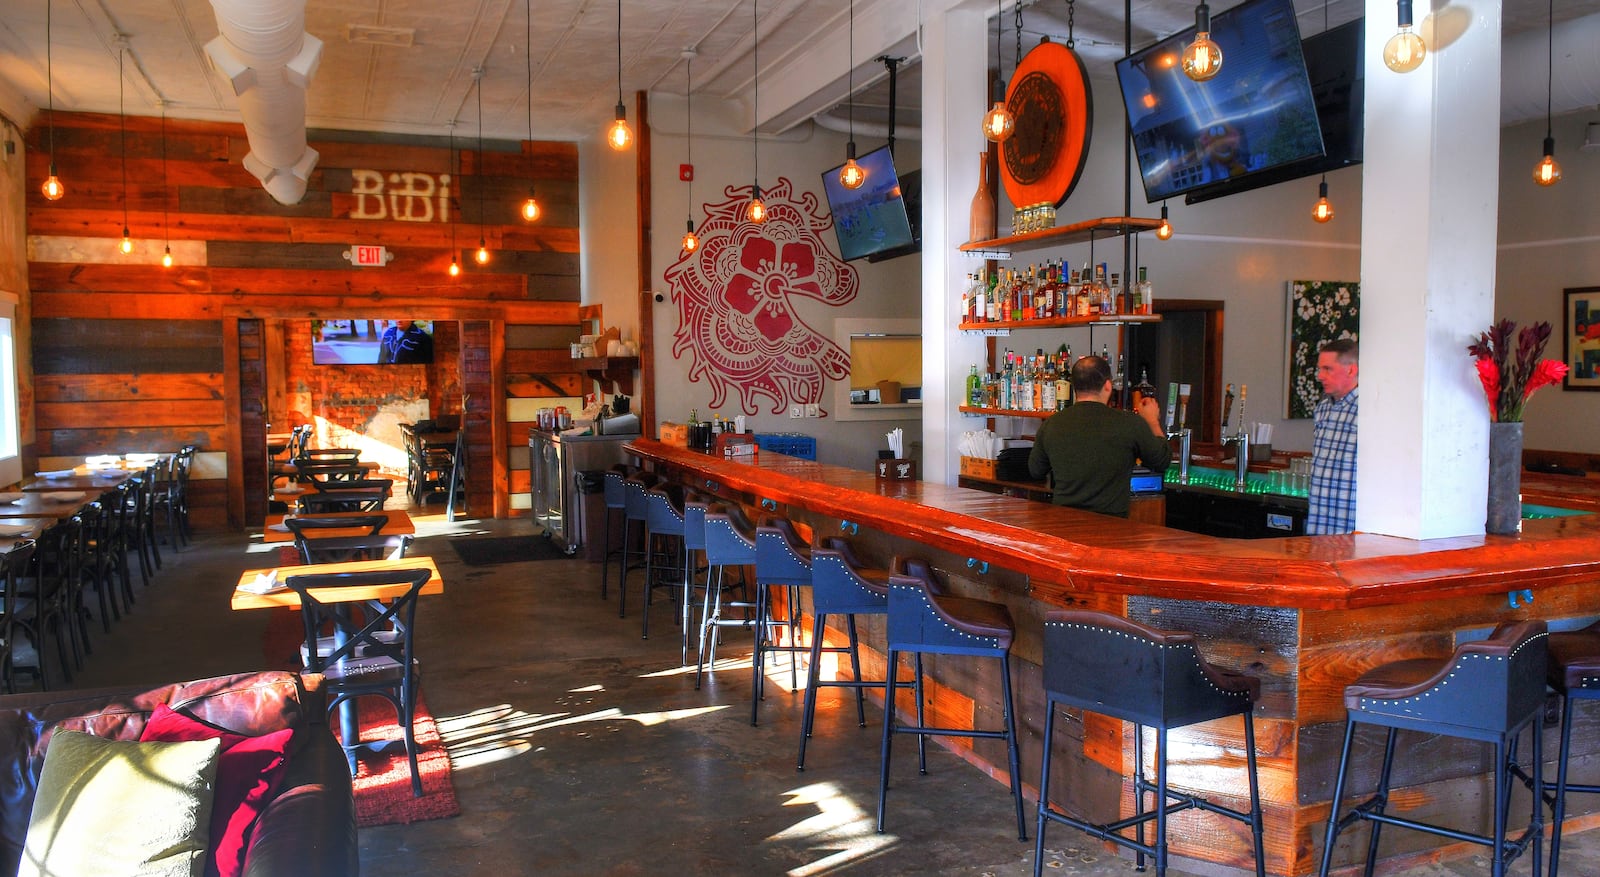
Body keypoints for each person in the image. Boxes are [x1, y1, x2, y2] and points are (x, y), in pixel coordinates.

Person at [1028, 355, 1171, 517]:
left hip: (1064, 522)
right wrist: (1152, 422)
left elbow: (1036, 470)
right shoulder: (1130, 423)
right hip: (1111, 525)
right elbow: (1161, 460)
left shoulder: (1051, 424)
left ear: (1074, 387)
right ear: (1108, 386)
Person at [1307, 338, 1358, 535]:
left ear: (1351, 370)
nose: (1320, 376)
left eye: (1328, 369)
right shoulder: (1323, 408)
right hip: (1319, 524)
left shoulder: (1369, 409)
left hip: (1350, 525)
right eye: (1320, 369)